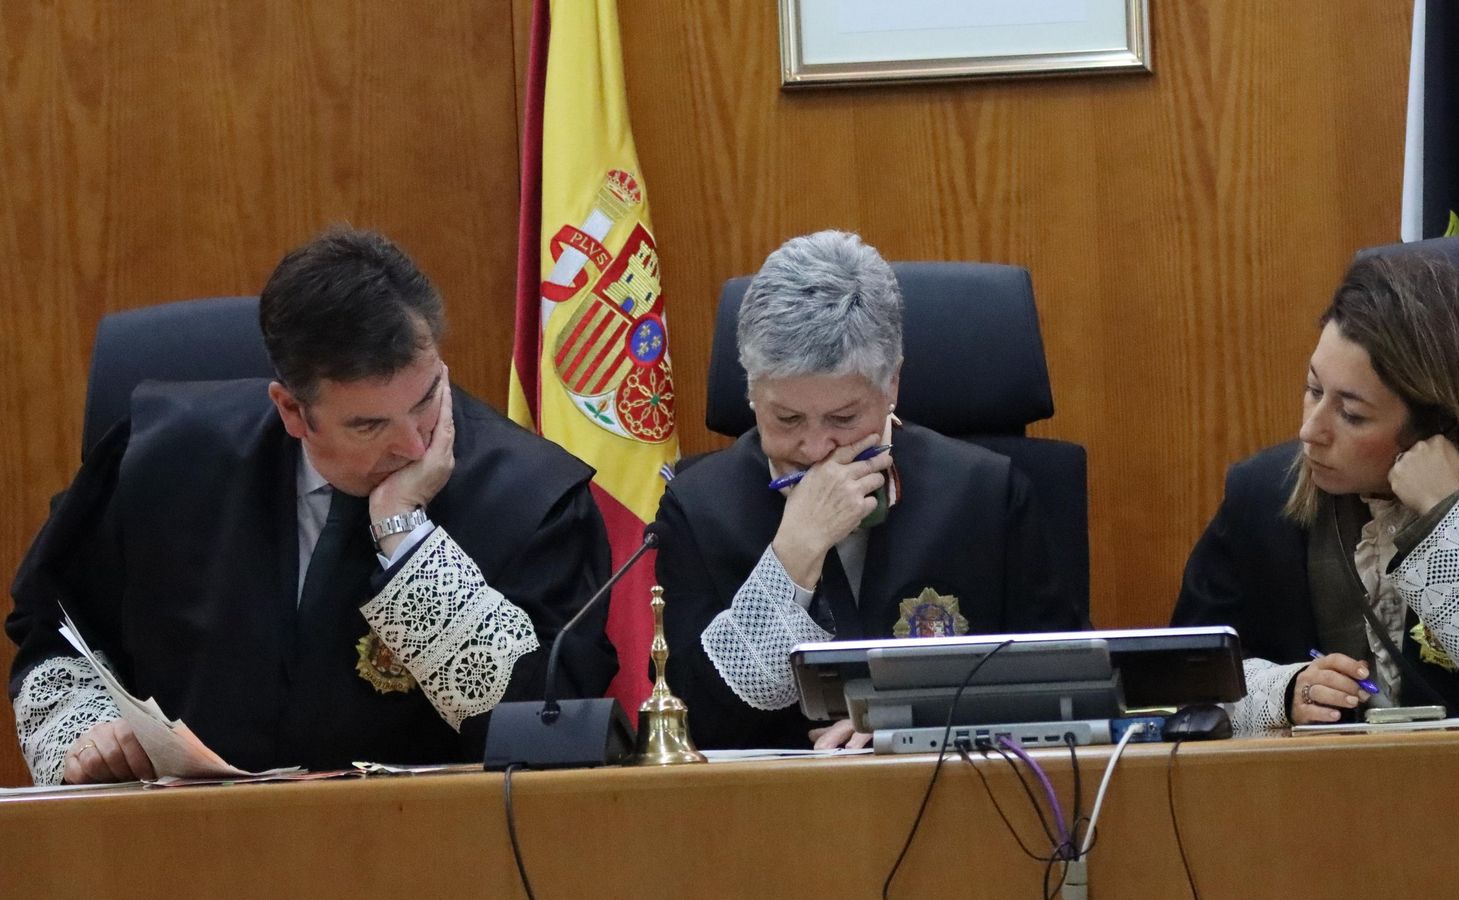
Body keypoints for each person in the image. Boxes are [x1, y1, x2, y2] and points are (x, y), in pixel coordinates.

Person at [8, 229, 616, 784]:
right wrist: (83, 737)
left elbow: (552, 729)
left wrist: (406, 538)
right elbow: (56, 629)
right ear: (292, 410)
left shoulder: (533, 499)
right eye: (368, 425)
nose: (414, 444)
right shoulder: (163, 460)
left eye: (429, 397)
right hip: (186, 848)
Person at [653, 230, 1086, 750]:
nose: (815, 447)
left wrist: (910, 722)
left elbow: (1066, 687)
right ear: (750, 390)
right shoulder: (698, 507)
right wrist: (792, 557)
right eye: (786, 417)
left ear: (891, 386)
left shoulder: (984, 493)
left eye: (843, 417)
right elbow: (684, 726)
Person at [1172, 252, 1459, 730]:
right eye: (1314, 390)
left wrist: (1448, 520)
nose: (1311, 431)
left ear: (1439, 424)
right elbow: (1178, 685)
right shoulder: (1261, 494)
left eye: (1351, 415)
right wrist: (1284, 692)